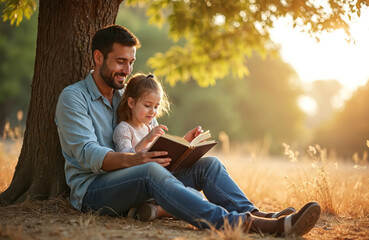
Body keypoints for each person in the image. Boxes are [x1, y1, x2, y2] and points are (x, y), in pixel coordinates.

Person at [55, 24, 321, 237]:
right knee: (149, 171)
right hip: (93, 190)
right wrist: (136, 159)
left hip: (133, 178)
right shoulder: (74, 98)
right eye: (120, 62)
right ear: (98, 57)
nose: (127, 70)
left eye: (131, 62)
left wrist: (179, 148)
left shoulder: (126, 96)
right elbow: (87, 153)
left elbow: (145, 132)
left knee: (209, 165)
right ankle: (243, 224)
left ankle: (260, 215)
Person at [112, 72, 206, 221]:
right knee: (186, 200)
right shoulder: (124, 129)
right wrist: (146, 139)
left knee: (197, 196)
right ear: (131, 103)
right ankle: (159, 209)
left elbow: (162, 152)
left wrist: (184, 142)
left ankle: (154, 210)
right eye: (147, 105)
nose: (153, 111)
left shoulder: (149, 128)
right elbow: (123, 158)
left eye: (156, 106)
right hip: (139, 184)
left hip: (158, 183)